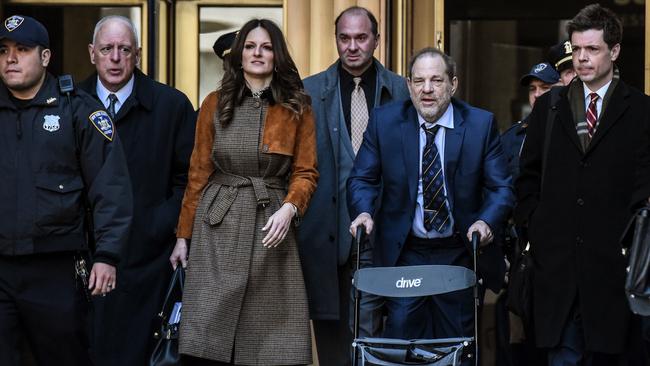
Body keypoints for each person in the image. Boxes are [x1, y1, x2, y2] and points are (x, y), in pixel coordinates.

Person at [169, 18, 318, 366]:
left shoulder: (298, 106)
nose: (257, 54)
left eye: (266, 47)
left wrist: (290, 208)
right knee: (209, 335)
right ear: (238, 55)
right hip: (217, 225)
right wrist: (183, 235)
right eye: (250, 47)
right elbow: (197, 173)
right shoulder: (213, 103)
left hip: (272, 226)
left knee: (271, 343)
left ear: (277, 56)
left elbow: (306, 172)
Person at [348, 47, 513, 352]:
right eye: (418, 81)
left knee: (458, 344)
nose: (426, 90)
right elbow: (362, 178)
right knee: (402, 339)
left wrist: (485, 221)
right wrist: (363, 212)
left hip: (460, 248)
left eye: (436, 81)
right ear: (408, 85)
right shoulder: (385, 122)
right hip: (406, 251)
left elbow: (501, 188)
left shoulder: (479, 125)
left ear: (454, 84)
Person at [515, 4, 650, 365]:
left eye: (593, 49)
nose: (582, 59)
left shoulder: (640, 111)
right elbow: (527, 176)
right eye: (577, 49)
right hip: (557, 272)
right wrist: (535, 229)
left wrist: (628, 246)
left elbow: (644, 187)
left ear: (615, 51)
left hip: (613, 276)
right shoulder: (550, 106)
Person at [0, 15, 132, 366]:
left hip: (54, 268)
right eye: (4, 50)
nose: (10, 58)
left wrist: (107, 255)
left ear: (45, 58)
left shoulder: (78, 110)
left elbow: (110, 187)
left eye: (22, 49)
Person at [78, 15, 196, 366]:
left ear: (138, 54)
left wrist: (158, 224)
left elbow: (189, 180)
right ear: (91, 54)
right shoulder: (70, 104)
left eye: (124, 49)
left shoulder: (172, 106)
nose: (115, 57)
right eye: (107, 49)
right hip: (82, 258)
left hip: (150, 260)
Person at [298, 7, 408, 364]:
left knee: (382, 344)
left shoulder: (402, 91)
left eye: (361, 38)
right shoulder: (309, 92)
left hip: (387, 236)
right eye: (344, 38)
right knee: (332, 347)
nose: (352, 46)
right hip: (326, 237)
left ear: (377, 39)